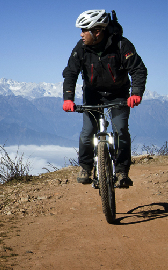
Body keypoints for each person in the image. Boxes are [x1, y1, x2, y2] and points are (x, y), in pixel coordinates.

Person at [62, 10, 147, 188]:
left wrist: (136, 93)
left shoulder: (122, 45)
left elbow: (138, 69)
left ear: (97, 31)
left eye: (85, 29)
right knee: (87, 132)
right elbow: (71, 72)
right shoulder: (81, 48)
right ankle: (86, 167)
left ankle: (122, 171)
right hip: (93, 94)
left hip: (118, 93)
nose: (81, 34)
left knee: (121, 130)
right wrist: (68, 98)